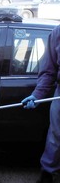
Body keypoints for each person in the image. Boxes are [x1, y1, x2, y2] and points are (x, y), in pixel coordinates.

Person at [21, 25, 60, 183]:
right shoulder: (57, 33)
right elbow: (48, 71)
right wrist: (36, 95)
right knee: (56, 136)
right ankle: (48, 173)